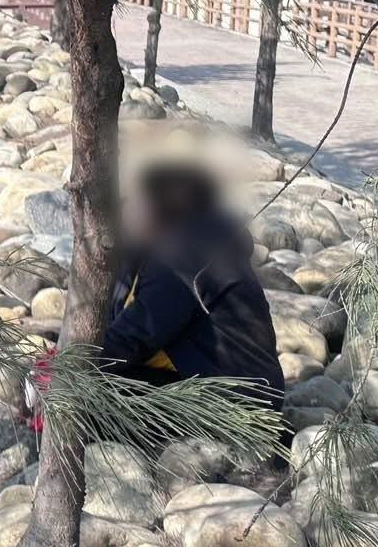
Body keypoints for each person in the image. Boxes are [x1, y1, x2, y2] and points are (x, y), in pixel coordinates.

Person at [100, 161, 285, 406]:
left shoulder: (186, 255)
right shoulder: (155, 246)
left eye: (138, 199)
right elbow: (115, 320)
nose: (129, 207)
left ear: (161, 207)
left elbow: (138, 333)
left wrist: (72, 367)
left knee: (95, 396)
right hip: (208, 382)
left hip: (237, 404)